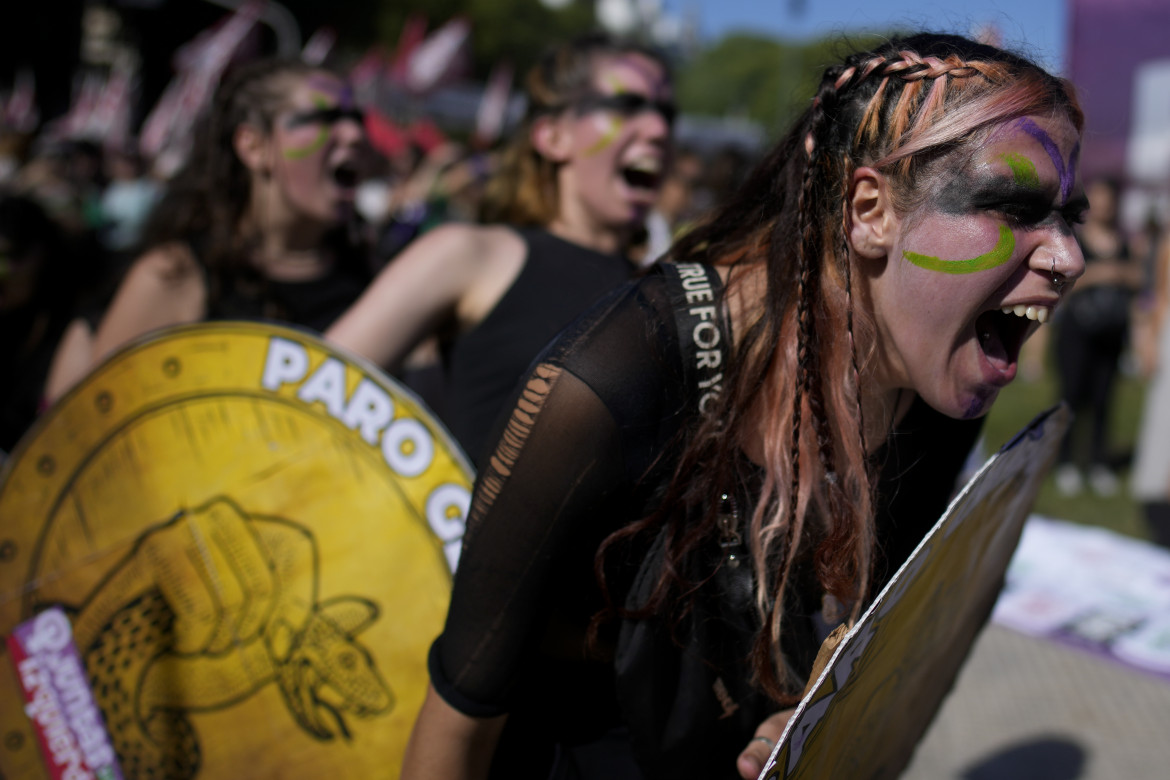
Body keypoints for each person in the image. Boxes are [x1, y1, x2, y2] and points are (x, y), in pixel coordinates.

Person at [402, 33, 1086, 780]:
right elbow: (458, 718)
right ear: (870, 209)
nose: (1068, 257)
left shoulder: (938, 381)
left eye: (1068, 217)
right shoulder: (614, 379)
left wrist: (809, 717)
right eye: (1014, 206)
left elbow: (863, 640)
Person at [325, 34, 673, 465]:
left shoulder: (665, 290)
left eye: (666, 112)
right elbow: (306, 393)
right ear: (553, 136)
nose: (659, 130)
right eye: (627, 106)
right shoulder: (472, 256)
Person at [45, 57, 370, 402]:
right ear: (254, 146)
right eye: (324, 119)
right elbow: (100, 429)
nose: (355, 135)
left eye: (356, 120)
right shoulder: (174, 277)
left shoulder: (373, 281)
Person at [1051, 177, 1143, 497]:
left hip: (1112, 331)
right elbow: (1060, 283)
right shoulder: (1075, 239)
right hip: (1078, 330)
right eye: (1099, 198)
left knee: (1105, 399)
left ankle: (1098, 461)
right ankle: (1064, 462)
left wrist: (1123, 273)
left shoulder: (1126, 241)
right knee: (1071, 397)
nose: (1104, 205)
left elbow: (1140, 278)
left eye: (1109, 199)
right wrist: (1101, 274)